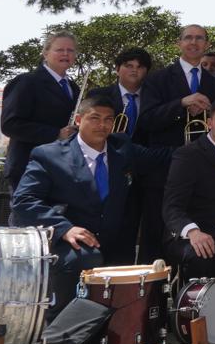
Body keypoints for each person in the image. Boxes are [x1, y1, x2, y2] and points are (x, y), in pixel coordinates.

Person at [12, 95, 165, 306]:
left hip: (116, 244)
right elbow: (23, 201)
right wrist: (64, 228)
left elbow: (161, 158)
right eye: (94, 118)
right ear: (78, 120)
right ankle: (58, 327)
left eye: (108, 119)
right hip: (71, 244)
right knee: (85, 260)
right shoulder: (49, 155)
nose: (102, 125)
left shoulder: (122, 148)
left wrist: (212, 143)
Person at [139, 25, 215, 262]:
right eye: (188, 38)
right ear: (178, 44)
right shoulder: (156, 79)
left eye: (199, 38)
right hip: (164, 169)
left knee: (197, 246)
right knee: (155, 241)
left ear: (207, 45)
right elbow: (146, 120)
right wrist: (181, 104)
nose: (194, 42)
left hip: (203, 177)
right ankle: (152, 298)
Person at [162, 97, 215, 279]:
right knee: (204, 259)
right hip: (194, 235)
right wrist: (193, 232)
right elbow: (172, 207)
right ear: (209, 123)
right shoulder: (187, 155)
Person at [0, 29, 81, 191]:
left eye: (70, 50)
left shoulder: (73, 87)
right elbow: (10, 124)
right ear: (45, 53)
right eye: (59, 50)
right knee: (27, 217)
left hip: (62, 169)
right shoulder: (26, 82)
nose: (66, 54)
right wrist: (56, 134)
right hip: (29, 167)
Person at [84, 47, 152, 143]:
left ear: (147, 72)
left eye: (140, 67)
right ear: (117, 69)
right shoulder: (97, 95)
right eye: (129, 66)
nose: (134, 70)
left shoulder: (154, 98)